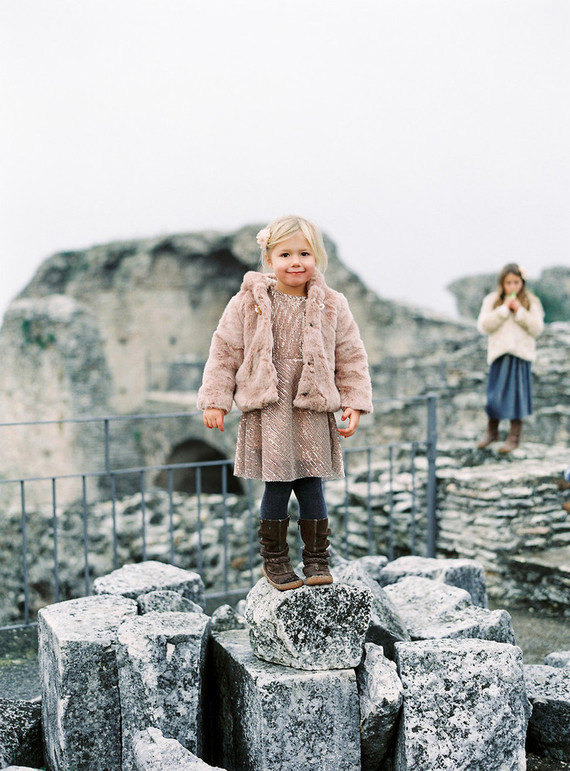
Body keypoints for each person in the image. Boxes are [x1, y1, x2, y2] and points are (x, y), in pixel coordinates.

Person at [197, 215, 373, 590]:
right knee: (276, 486)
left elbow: (351, 354)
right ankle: (275, 560)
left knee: (312, 485)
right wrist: (216, 400)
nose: (296, 262)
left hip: (311, 407)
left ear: (317, 257)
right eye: (286, 254)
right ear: (269, 259)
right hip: (272, 406)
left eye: (305, 253)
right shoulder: (249, 302)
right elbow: (225, 350)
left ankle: (316, 559)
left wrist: (354, 401)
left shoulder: (332, 304)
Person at [476, 263, 544, 453]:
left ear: (522, 283)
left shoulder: (531, 302)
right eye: (508, 283)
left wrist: (520, 312)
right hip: (500, 354)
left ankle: (514, 436)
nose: (513, 287)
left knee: (518, 396)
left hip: (521, 355)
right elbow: (483, 325)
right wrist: (504, 310)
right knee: (494, 396)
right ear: (502, 284)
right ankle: (492, 431)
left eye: (516, 282)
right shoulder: (493, 301)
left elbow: (537, 328)